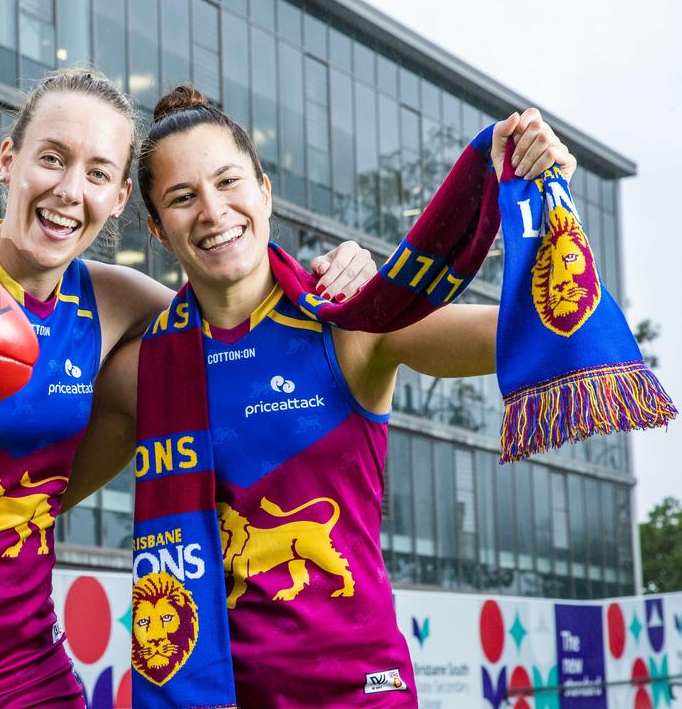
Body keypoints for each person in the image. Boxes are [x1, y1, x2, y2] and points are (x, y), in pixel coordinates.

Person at [0, 69, 374, 709]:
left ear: (122, 197)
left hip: (24, 668)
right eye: (52, 159)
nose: (70, 190)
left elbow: (241, 305)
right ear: (9, 160)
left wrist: (343, 273)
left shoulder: (115, 301)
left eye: (97, 173)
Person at [64, 86, 574, 707]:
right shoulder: (141, 373)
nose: (213, 211)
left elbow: (541, 325)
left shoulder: (352, 325)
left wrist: (546, 208)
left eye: (228, 183)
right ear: (158, 230)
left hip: (363, 691)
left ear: (265, 190)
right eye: (182, 197)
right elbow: (32, 499)